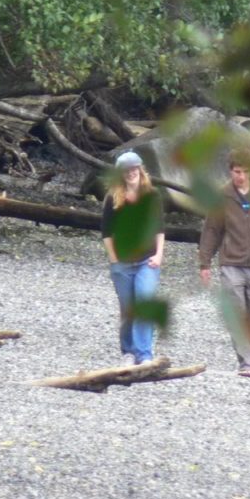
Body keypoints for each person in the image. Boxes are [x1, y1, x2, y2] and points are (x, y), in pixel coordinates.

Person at [198, 148, 250, 378]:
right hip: (231, 263)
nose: (240, 176)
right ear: (230, 171)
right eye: (236, 172)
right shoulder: (222, 196)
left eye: (244, 172)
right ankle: (246, 363)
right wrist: (204, 263)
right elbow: (211, 231)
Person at [101, 150, 165, 365]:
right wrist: (114, 259)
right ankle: (128, 351)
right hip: (123, 264)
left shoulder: (152, 196)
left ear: (140, 169)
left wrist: (159, 255)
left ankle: (144, 354)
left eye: (134, 169)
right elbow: (107, 233)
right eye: (126, 170)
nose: (131, 173)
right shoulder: (113, 198)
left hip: (147, 261)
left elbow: (159, 229)